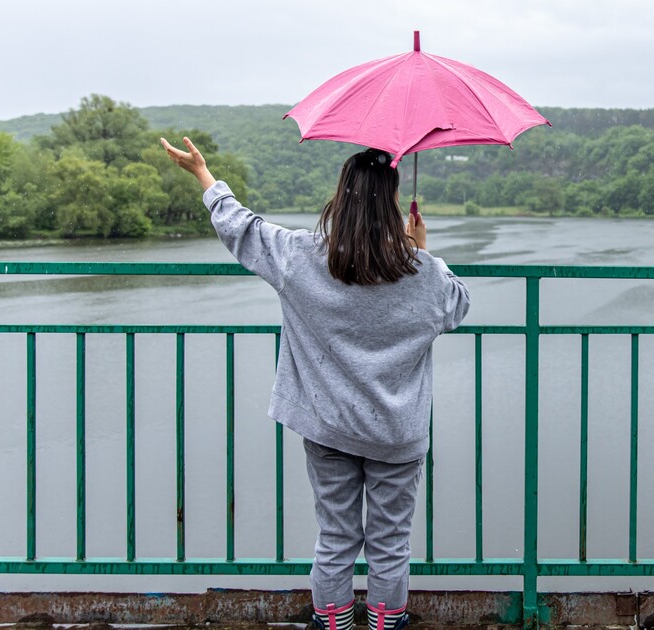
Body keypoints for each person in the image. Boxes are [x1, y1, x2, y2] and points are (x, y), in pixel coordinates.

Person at [161, 137, 470, 630]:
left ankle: (333, 624)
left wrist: (204, 175)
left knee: (336, 537)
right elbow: (456, 306)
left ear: (341, 197)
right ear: (393, 204)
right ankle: (386, 623)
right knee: (390, 543)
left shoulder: (300, 256)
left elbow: (242, 228)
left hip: (328, 427)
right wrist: (420, 251)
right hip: (397, 435)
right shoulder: (423, 273)